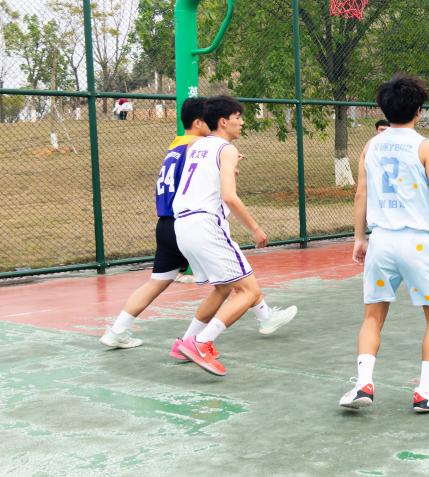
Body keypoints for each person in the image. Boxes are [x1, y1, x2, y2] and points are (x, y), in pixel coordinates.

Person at [339, 75, 429, 412]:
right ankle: (426, 391)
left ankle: (363, 384)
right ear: (419, 110)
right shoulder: (425, 146)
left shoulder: (371, 146)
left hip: (381, 242)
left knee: (372, 317)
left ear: (384, 109)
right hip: (416, 242)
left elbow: (361, 194)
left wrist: (360, 238)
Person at [171, 96, 297, 375]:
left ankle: (186, 342)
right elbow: (229, 196)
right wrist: (255, 227)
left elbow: (205, 177)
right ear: (223, 121)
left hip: (183, 225)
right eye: (238, 117)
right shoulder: (226, 149)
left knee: (224, 288)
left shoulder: (196, 145)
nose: (242, 122)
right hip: (206, 224)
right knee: (249, 291)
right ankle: (202, 343)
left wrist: (230, 165)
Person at [100, 97, 210, 349]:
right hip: (186, 224)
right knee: (232, 279)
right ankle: (261, 315)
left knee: (157, 283)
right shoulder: (199, 147)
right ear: (198, 122)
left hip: (165, 224)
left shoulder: (175, 146)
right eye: (210, 120)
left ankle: (117, 330)